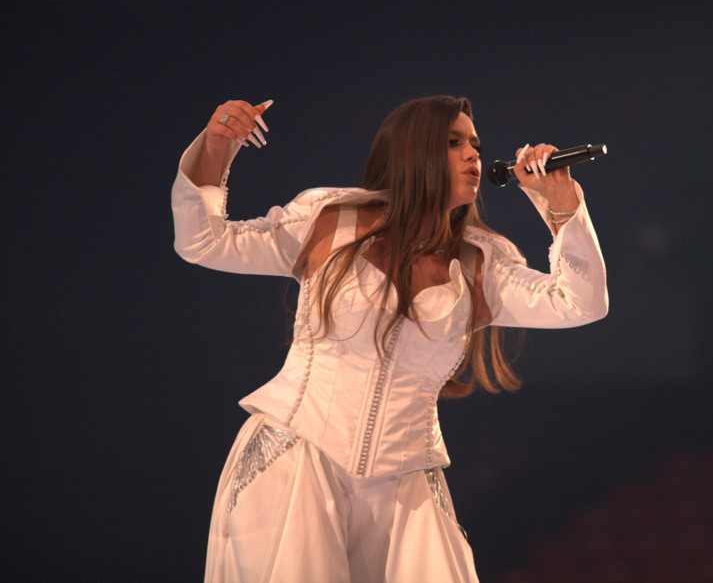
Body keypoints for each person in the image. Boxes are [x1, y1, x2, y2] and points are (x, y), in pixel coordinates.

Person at [172, 95, 608, 582]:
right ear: (412, 152)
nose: (474, 156)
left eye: (476, 145)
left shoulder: (480, 263)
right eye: (454, 142)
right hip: (296, 460)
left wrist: (560, 203)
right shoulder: (329, 219)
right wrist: (216, 146)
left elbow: (581, 302)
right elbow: (203, 241)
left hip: (407, 490)